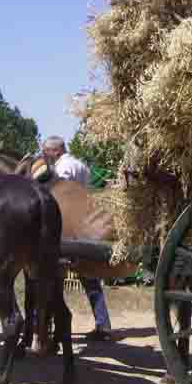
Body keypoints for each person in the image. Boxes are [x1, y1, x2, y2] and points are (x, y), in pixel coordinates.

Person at [41, 135, 114, 342]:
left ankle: (51, 328)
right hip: (86, 223)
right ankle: (103, 324)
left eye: (47, 151)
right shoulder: (81, 165)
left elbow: (61, 197)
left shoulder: (62, 169)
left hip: (67, 226)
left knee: (53, 278)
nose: (45, 155)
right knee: (90, 278)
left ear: (56, 150)